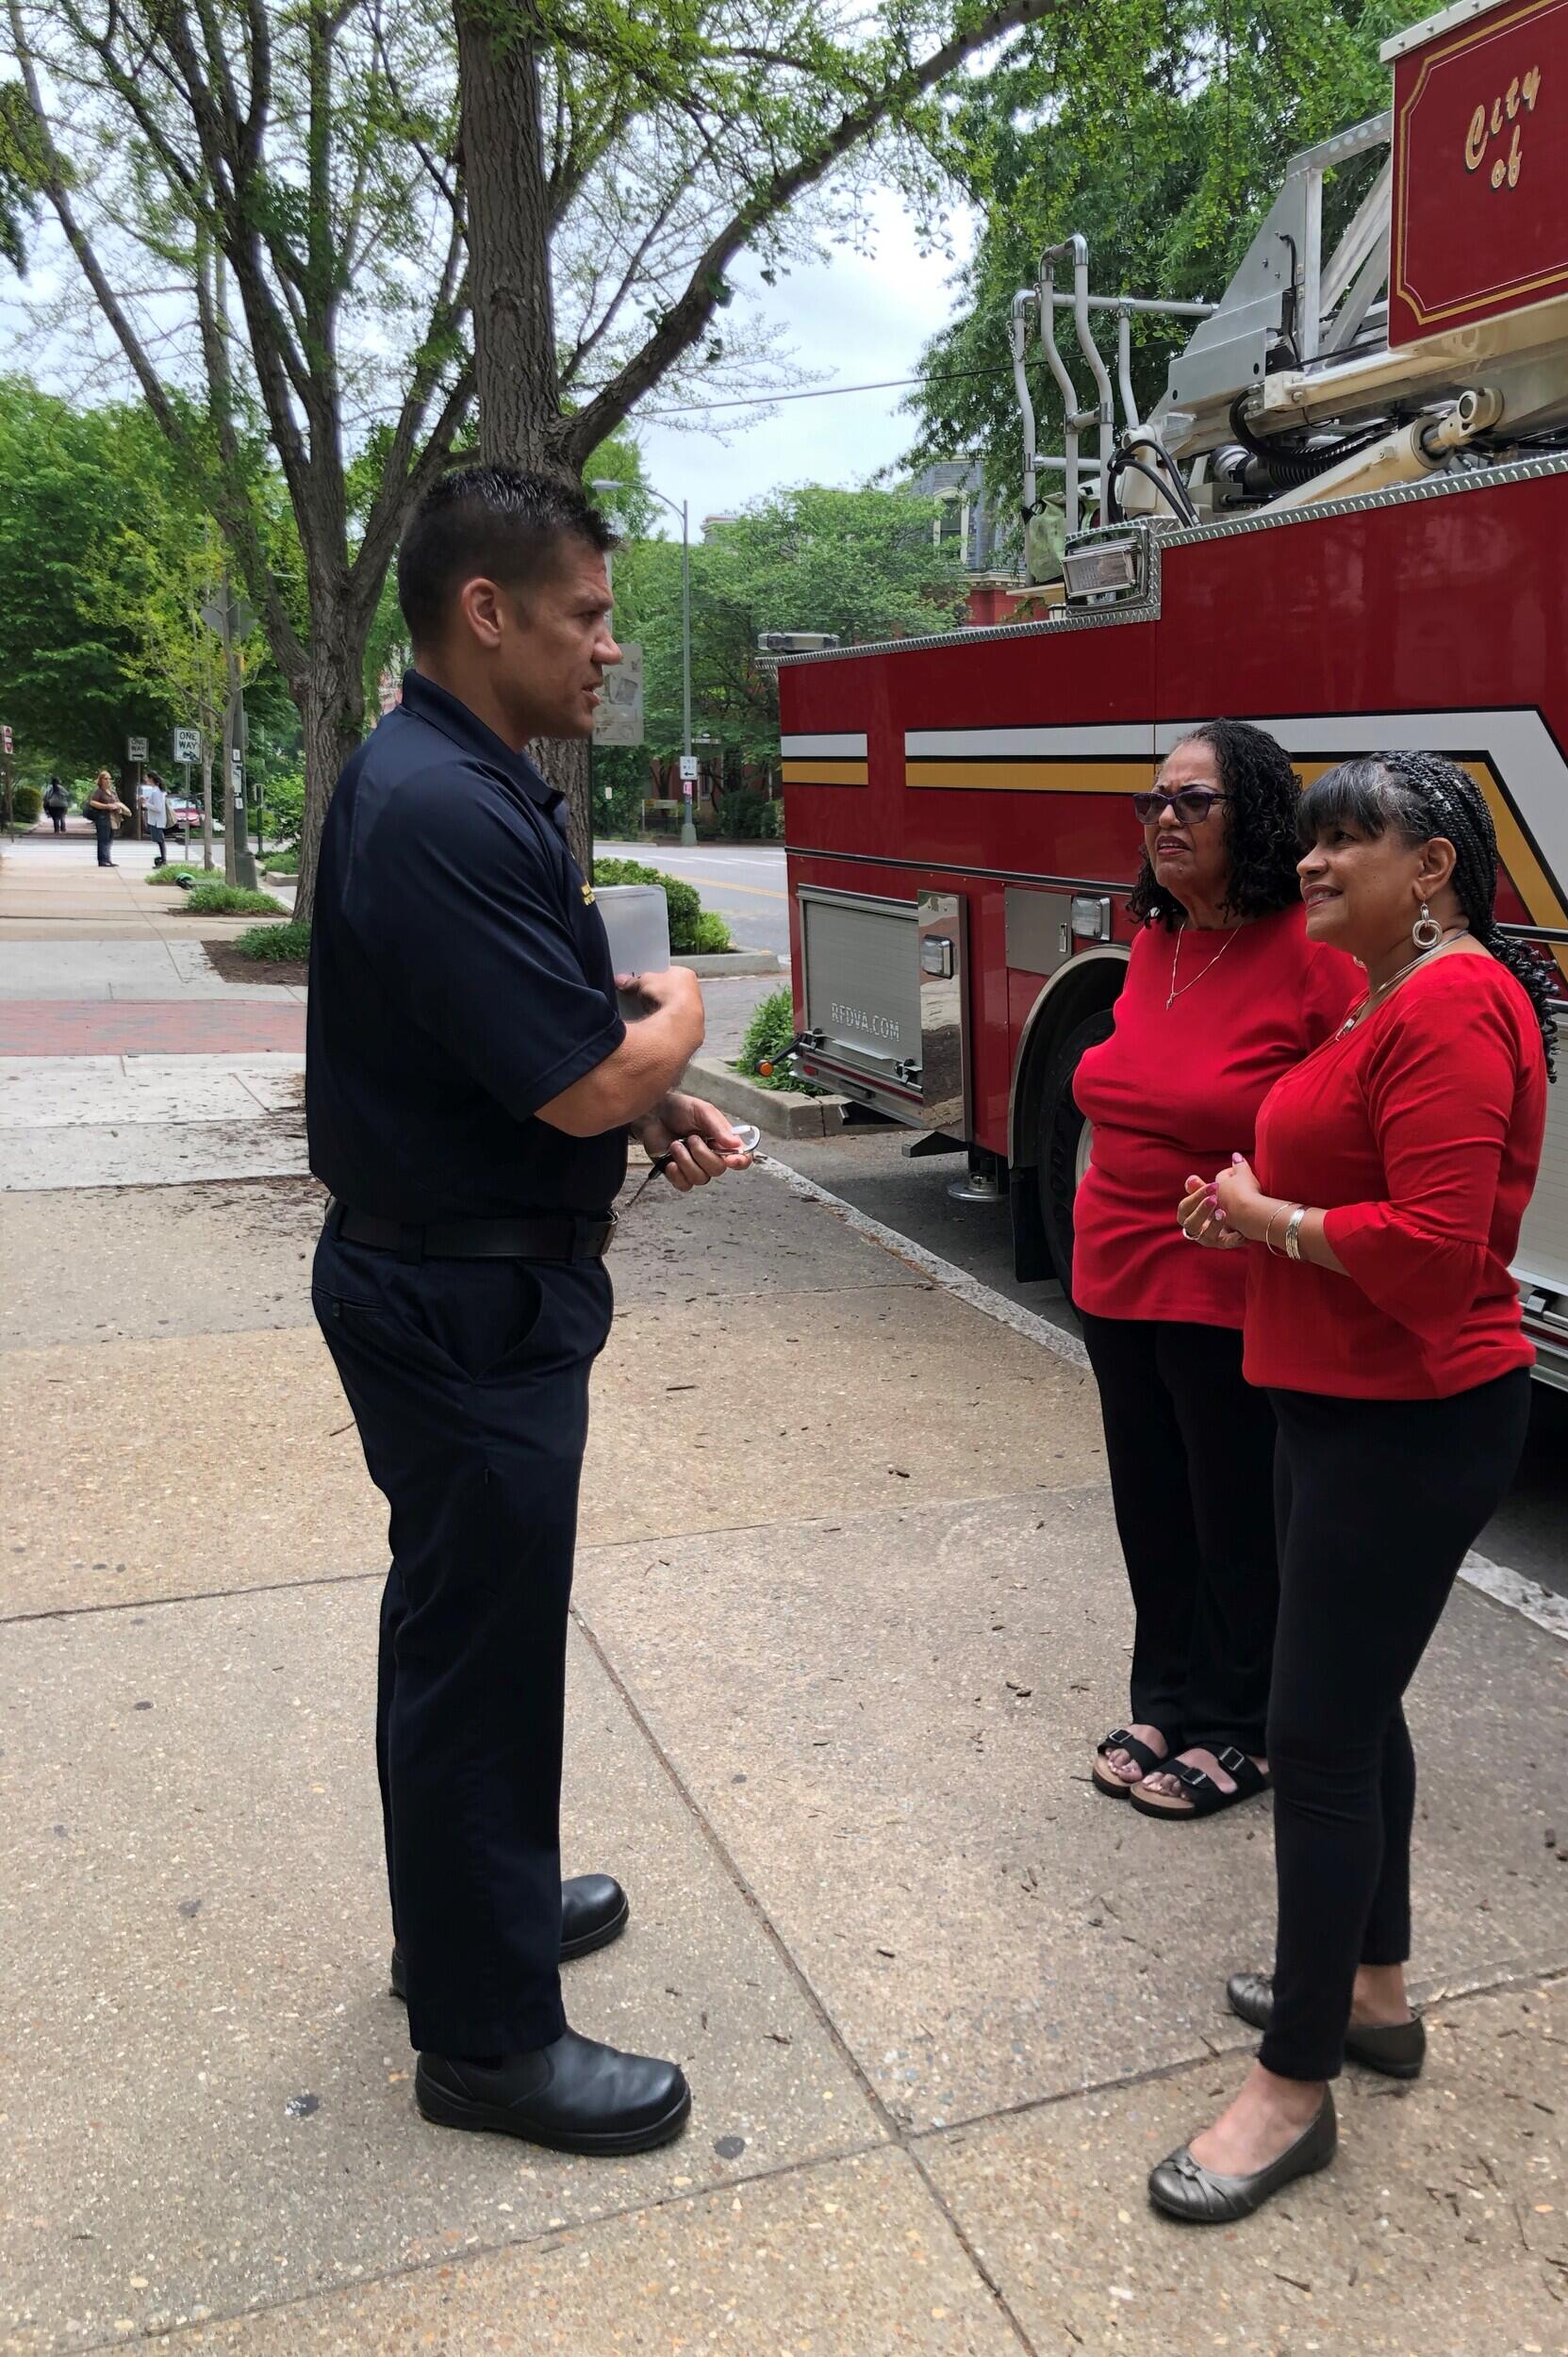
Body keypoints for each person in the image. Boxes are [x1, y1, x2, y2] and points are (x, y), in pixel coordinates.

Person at [306, 463, 752, 2158]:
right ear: (482, 612)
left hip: (456, 1281)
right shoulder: (438, 804)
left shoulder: (454, 781)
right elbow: (569, 1081)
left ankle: (465, 1928)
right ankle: (488, 2042)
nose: (609, 648)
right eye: (584, 614)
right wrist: (673, 1035)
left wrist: (652, 1106)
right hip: (461, 1302)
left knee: (458, 1638)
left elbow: (524, 1050)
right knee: (478, 1659)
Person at [1150, 751, 1557, 2224]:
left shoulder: (1452, 998)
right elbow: (1354, 1196)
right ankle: (1370, 1992)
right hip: (1336, 1410)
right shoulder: (1384, 996)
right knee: (1352, 1713)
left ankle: (1291, 2085)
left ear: (1432, 867)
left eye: (1348, 841)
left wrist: (1275, 1214)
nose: (1312, 863)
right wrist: (1253, 1222)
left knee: (1309, 1741)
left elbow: (1439, 1248)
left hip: (1410, 1421)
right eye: (1308, 841)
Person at [1077, 722, 1359, 1821]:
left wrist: (1271, 1207)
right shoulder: (1156, 942)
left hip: (1226, 1282)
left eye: (1191, 802)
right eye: (1152, 803)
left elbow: (1347, 1119)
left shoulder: (1312, 951)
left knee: (1232, 1509)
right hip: (1113, 1268)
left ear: (1254, 814)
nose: (1164, 823)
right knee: (1150, 1503)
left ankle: (1243, 1723)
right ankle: (1167, 1698)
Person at [86, 770, 124, 865]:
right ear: (101, 780)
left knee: (110, 839)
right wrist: (106, 806)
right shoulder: (99, 791)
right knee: (103, 839)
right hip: (102, 817)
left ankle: (108, 859)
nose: (108, 781)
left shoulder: (112, 792)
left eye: (109, 779)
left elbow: (118, 802)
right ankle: (102, 860)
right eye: (105, 778)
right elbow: (93, 802)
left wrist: (118, 807)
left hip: (112, 818)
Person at [139, 770, 170, 866]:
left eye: (147, 778)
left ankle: (163, 860)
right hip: (155, 820)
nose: (145, 780)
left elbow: (158, 808)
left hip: (157, 821)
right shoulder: (156, 791)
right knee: (160, 840)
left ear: (151, 779)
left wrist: (145, 803)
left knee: (160, 840)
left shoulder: (156, 792)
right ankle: (163, 859)